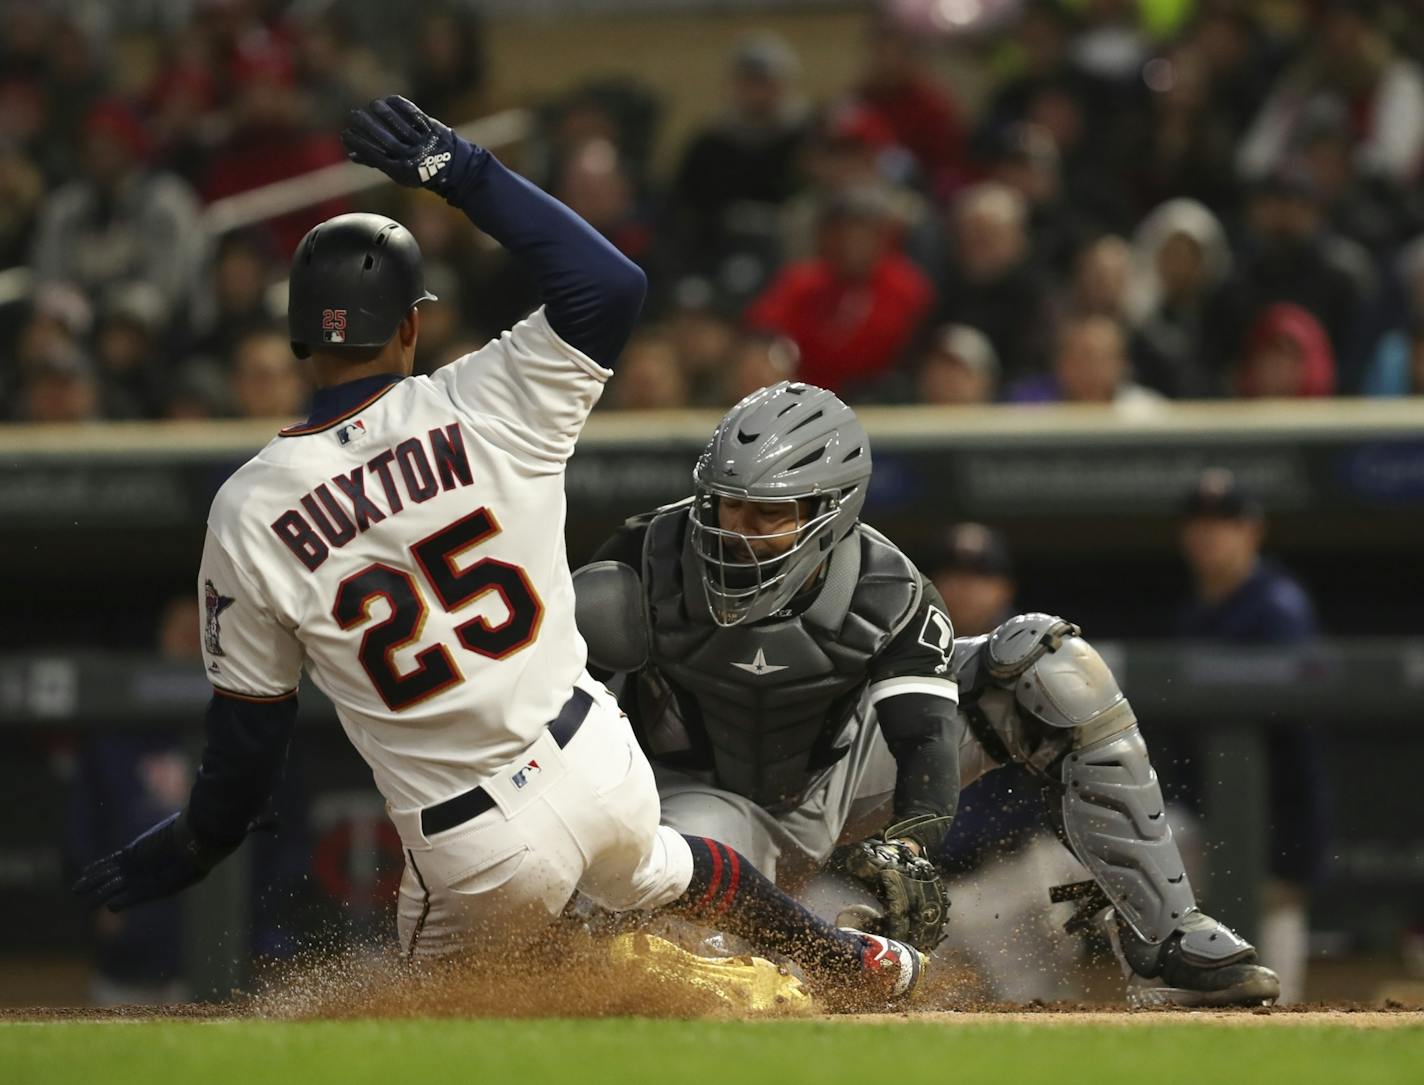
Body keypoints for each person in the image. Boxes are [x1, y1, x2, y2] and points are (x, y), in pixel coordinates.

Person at [72, 97, 922, 1006]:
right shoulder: (482, 400)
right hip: (599, 760)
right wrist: (460, 170)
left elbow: (248, 746)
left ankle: (706, 992)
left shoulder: (247, 507)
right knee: (670, 867)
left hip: (473, 840)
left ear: (295, 336)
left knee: (422, 1032)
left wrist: (197, 841)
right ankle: (846, 960)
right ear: (410, 324)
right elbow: (611, 285)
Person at [574, 381, 1280, 1007]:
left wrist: (909, 846)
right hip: (695, 803)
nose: (737, 532)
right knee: (665, 977)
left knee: (1048, 663)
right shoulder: (640, 560)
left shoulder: (891, 587)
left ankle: (1167, 939)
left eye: (769, 515)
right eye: (727, 507)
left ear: (832, 507)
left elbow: (924, 737)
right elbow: (564, 719)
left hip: (840, 773)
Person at [1174, 469, 1332, 1003]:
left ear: (1252, 530)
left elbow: (1297, 747)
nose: (1210, 534)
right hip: (1202, 820)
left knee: (1270, 999)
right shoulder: (1196, 614)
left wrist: (1289, 854)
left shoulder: (1278, 609)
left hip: (1273, 824)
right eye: (1200, 523)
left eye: (1225, 522)